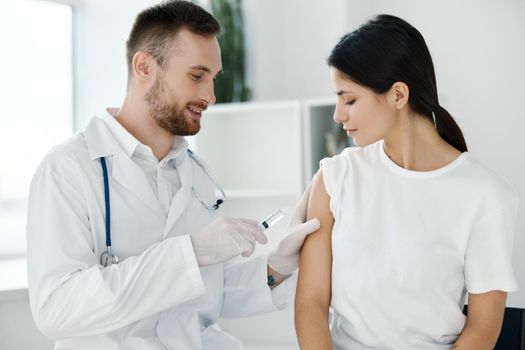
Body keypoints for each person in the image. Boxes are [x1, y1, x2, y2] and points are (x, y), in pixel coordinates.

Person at [26, 1, 319, 349]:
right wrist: (190, 252)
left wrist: (276, 267)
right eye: (197, 76)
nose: (210, 96)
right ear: (144, 66)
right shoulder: (68, 169)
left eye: (213, 78)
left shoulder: (196, 176)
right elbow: (58, 309)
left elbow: (208, 292)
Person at [295, 14, 519, 350]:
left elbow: (483, 328)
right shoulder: (335, 176)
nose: (338, 115)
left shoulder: (485, 196)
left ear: (398, 95)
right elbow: (310, 303)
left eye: (349, 99)